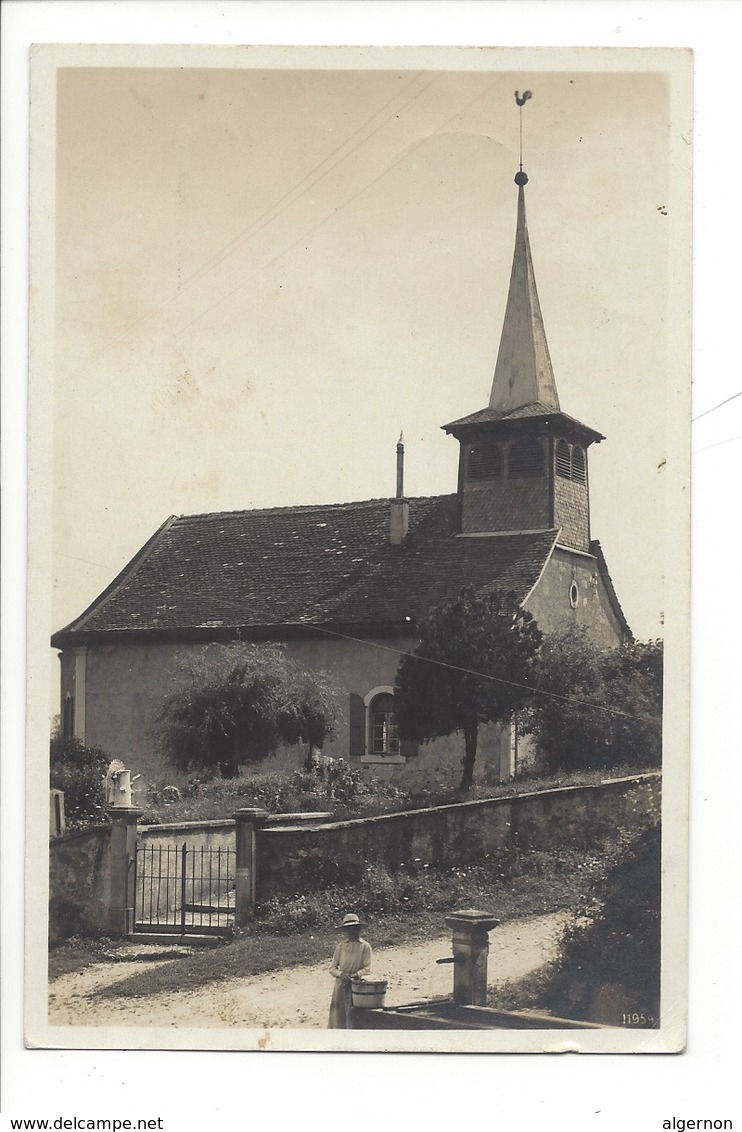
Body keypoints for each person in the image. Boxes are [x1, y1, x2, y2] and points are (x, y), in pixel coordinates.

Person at [328, 913, 372, 1029]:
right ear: (345, 931)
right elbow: (332, 968)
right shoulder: (341, 947)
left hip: (357, 986)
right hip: (341, 985)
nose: (352, 931)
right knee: (339, 1015)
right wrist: (341, 974)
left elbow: (367, 968)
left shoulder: (365, 946)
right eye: (349, 929)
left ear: (359, 929)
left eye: (354, 929)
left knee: (354, 1015)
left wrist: (355, 975)